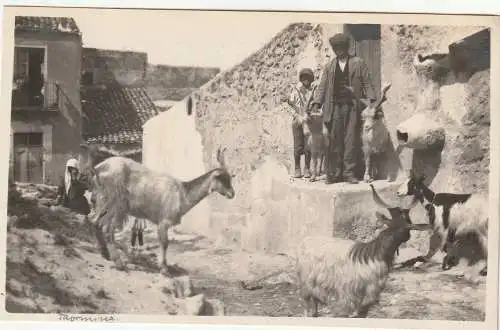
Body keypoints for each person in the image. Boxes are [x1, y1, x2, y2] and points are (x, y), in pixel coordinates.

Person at [310, 33, 377, 184]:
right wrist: (316, 103)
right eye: (336, 48)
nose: (338, 51)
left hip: (352, 107)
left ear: (346, 48)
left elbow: (367, 83)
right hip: (334, 108)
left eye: (341, 48)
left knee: (350, 139)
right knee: (334, 140)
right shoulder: (329, 66)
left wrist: (371, 101)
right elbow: (322, 87)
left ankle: (349, 173)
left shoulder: (358, 63)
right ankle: (334, 174)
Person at [288, 67, 317, 179]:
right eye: (304, 78)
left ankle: (307, 168)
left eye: (308, 78)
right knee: (297, 146)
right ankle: (297, 168)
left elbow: (315, 106)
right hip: (297, 122)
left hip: (308, 121)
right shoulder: (295, 92)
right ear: (301, 79)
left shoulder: (312, 92)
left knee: (308, 146)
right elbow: (289, 106)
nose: (306, 80)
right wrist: (297, 116)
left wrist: (310, 115)